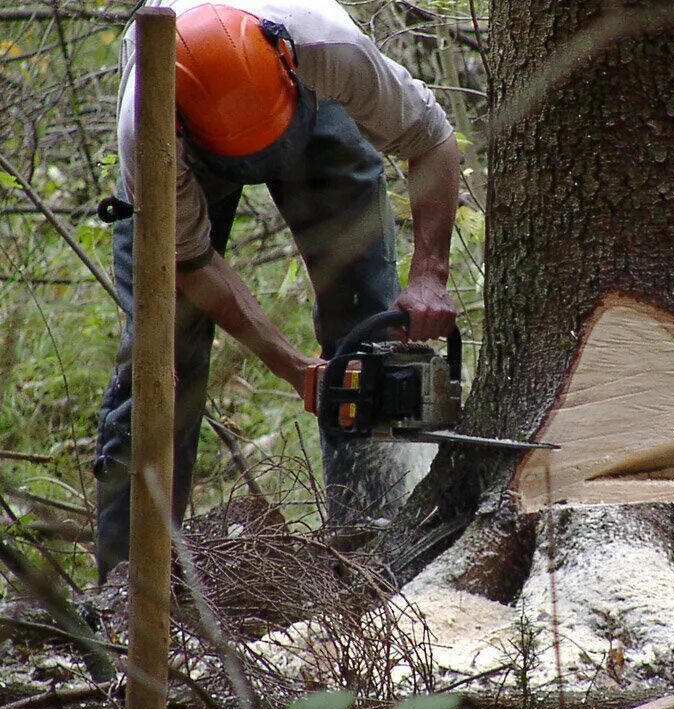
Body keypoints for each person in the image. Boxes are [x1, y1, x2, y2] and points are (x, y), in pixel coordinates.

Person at [94, 0, 459, 581]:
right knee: (163, 357)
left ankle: (375, 557)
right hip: (185, 143)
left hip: (307, 104)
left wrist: (429, 277)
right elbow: (190, 262)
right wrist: (289, 365)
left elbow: (432, 140)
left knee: (368, 323)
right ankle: (127, 590)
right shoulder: (149, 124)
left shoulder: (328, 46)